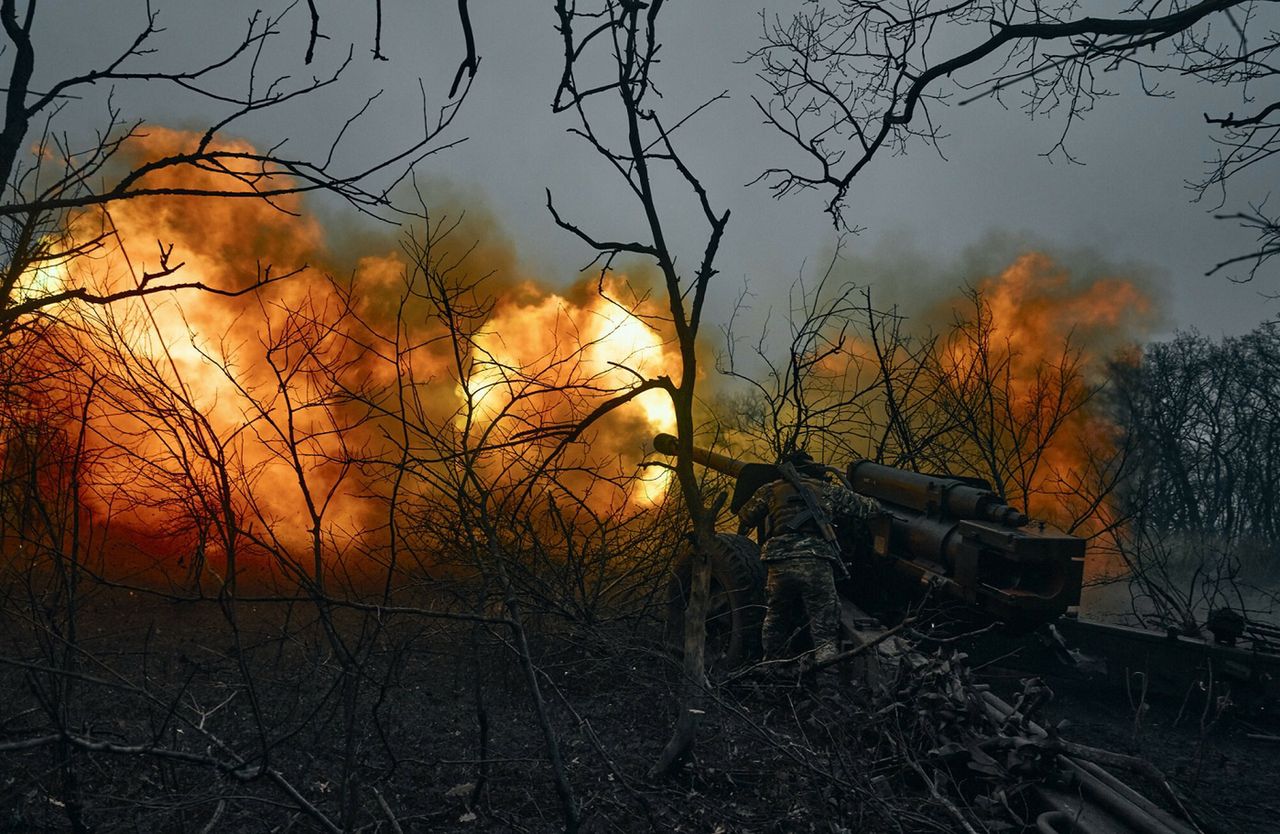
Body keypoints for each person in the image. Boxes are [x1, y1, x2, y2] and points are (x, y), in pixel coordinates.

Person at [736, 449, 880, 667]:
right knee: (824, 632)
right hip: (816, 562)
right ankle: (827, 684)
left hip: (780, 563)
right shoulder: (827, 490)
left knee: (775, 620)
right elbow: (869, 508)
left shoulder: (770, 490)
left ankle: (771, 670)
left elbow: (746, 515)